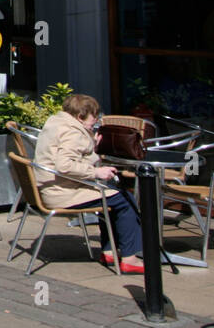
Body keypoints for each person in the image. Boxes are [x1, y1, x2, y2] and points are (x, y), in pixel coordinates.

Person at [34, 93, 143, 271]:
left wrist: (91, 144)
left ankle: (109, 251)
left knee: (110, 196)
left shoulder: (55, 123)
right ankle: (130, 257)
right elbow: (65, 165)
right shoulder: (72, 132)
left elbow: (68, 154)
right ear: (80, 116)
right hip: (63, 193)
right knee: (125, 200)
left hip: (53, 188)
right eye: (94, 116)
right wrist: (96, 171)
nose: (96, 120)